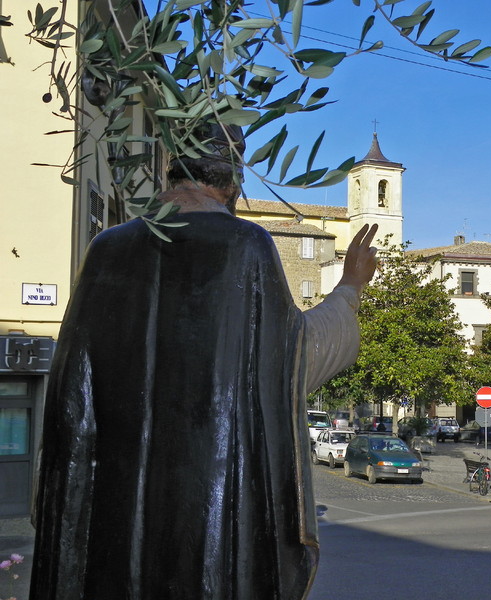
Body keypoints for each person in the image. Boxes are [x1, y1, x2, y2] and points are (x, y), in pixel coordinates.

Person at [30, 120, 379, 599]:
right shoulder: (246, 244)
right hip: (207, 510)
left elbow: (72, 391)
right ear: (234, 181)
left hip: (109, 507)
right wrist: (350, 289)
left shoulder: (106, 248)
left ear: (166, 172)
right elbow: (293, 360)